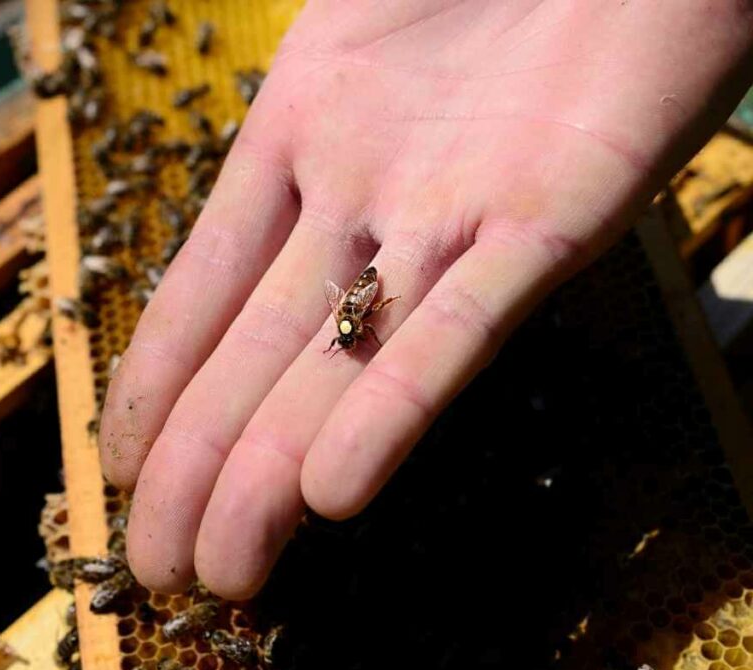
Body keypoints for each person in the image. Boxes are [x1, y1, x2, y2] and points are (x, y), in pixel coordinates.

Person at [98, 1, 753, 599]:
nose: (349, 337)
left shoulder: (359, 311)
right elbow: (351, 308)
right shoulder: (354, 314)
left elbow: (357, 305)